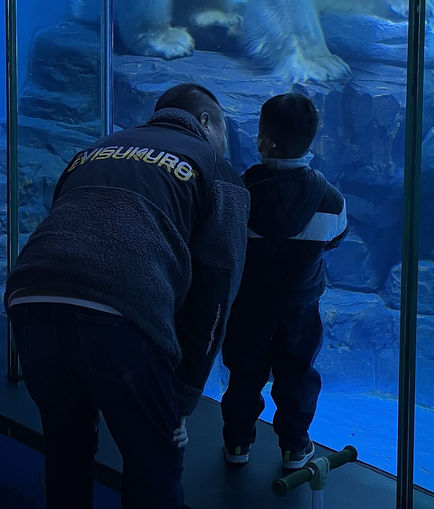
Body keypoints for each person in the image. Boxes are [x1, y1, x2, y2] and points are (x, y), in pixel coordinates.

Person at [4, 83, 250, 509]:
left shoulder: (95, 149)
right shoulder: (215, 167)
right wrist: (185, 394)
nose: (226, 144)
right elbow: (217, 288)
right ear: (206, 122)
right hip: (120, 314)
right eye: (225, 131)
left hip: (29, 299)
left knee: (67, 446)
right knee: (155, 460)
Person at [220, 92, 347, 470]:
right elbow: (335, 240)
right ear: (313, 141)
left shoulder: (239, 194)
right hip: (299, 309)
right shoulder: (330, 200)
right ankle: (294, 447)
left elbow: (224, 241)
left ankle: (237, 444)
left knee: (244, 375)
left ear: (261, 139)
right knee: (297, 375)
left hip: (247, 307)